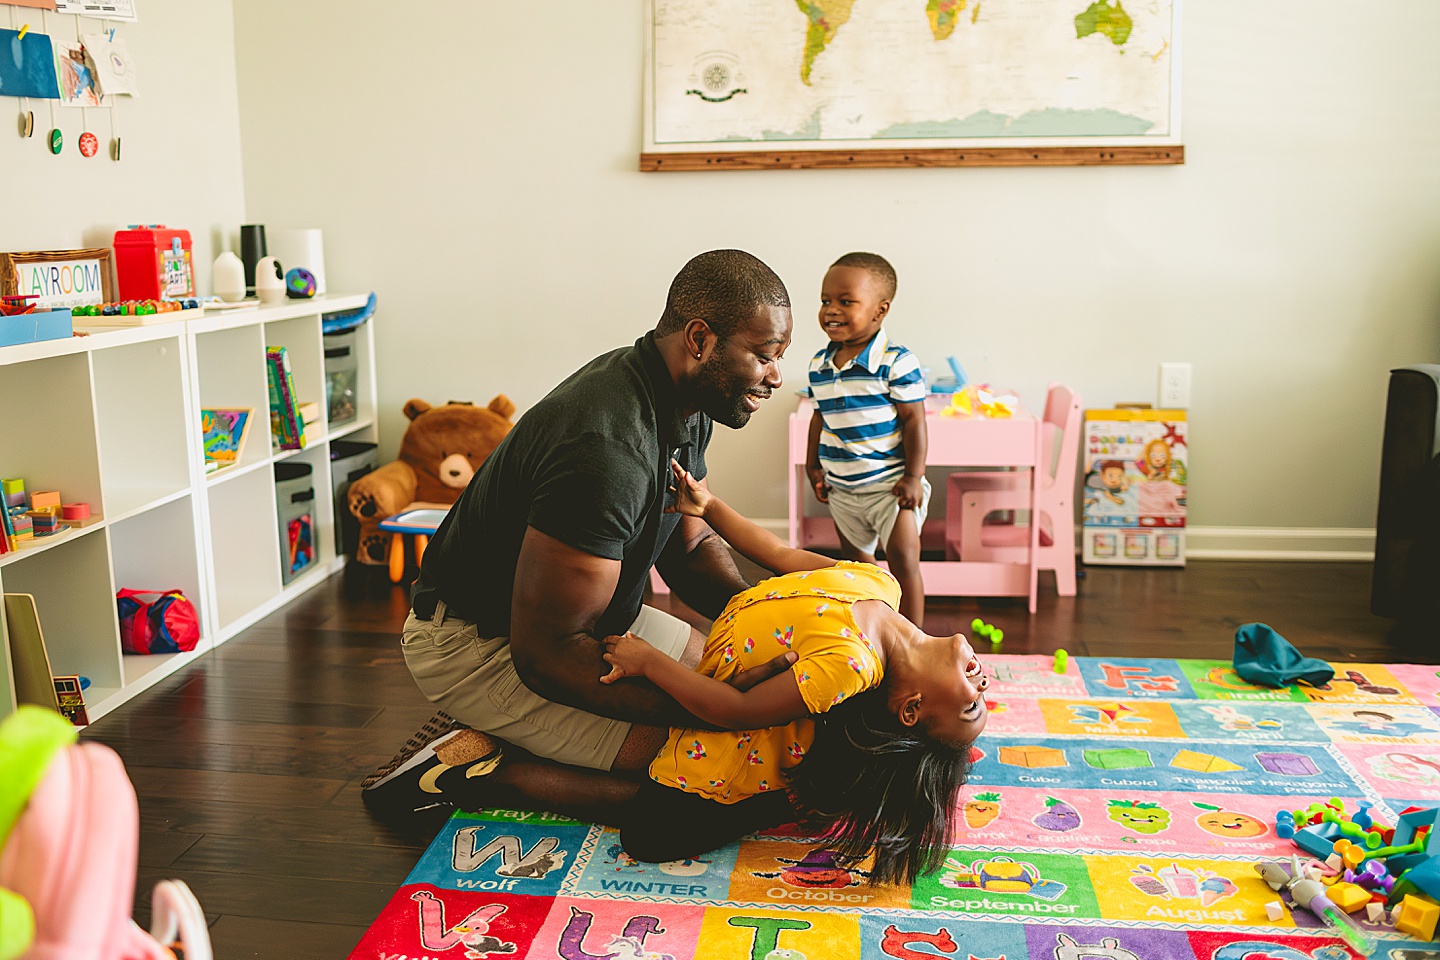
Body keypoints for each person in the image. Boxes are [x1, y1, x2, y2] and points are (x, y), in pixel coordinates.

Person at [362, 250, 797, 825]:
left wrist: (768, 626)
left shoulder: (687, 401)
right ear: (700, 339)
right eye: (765, 356)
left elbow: (689, 549)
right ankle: (474, 772)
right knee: (701, 774)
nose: (776, 377)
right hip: (480, 644)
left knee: (743, 701)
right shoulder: (605, 449)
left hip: (594, 622)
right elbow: (547, 655)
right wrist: (719, 712)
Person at [601, 461, 987, 884]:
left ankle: (775, 803)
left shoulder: (851, 664)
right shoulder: (880, 584)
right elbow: (780, 554)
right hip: (726, 686)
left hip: (727, 744)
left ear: (911, 708)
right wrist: (709, 507)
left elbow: (737, 710)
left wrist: (650, 661)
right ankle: (794, 797)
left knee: (646, 836)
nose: (983, 684)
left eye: (972, 705)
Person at [805, 252, 930, 625]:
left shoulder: (896, 361)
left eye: (846, 302)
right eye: (826, 301)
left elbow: (914, 422)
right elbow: (819, 417)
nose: (832, 310)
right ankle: (880, 634)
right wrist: (813, 466)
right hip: (843, 490)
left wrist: (912, 476)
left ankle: (916, 643)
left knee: (904, 562)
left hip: (891, 487)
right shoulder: (819, 364)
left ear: (880, 310)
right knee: (861, 571)